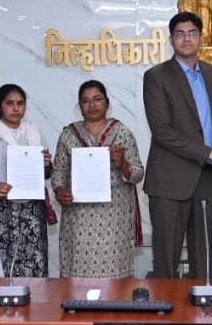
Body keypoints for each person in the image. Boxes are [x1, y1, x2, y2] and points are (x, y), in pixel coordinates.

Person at [143, 11, 212, 279]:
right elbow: (162, 131)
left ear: (200, 37)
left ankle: (202, 307)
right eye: (180, 34)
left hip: (208, 180)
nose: (186, 39)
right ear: (171, 39)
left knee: (203, 263)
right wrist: (208, 152)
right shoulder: (156, 76)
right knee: (167, 263)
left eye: (192, 33)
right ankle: (165, 308)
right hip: (170, 183)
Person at [52, 80, 145, 278]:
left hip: (114, 220)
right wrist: (60, 191)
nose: (92, 105)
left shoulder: (121, 133)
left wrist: (122, 164)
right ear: (79, 106)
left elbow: (138, 173)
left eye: (97, 99)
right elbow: (58, 171)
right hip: (78, 220)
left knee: (114, 282)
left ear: (107, 103)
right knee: (78, 281)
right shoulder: (69, 135)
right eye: (85, 101)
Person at [0, 84, 52, 277]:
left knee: (35, 265)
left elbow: (48, 173)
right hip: (1, 213)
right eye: (9, 103)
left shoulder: (33, 131)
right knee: (2, 268)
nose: (16, 109)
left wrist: (46, 163)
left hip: (32, 214)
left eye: (20, 103)